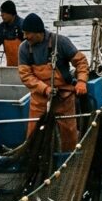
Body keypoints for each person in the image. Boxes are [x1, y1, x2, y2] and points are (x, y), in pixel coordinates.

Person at [17, 13, 89, 151]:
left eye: (28, 33)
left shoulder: (60, 42)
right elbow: (25, 75)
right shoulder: (24, 48)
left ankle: (68, 156)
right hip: (40, 99)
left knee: (68, 133)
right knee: (34, 133)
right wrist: (45, 89)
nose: (25, 37)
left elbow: (81, 62)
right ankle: (34, 156)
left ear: (38, 32)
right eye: (24, 33)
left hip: (64, 97)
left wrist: (81, 82)